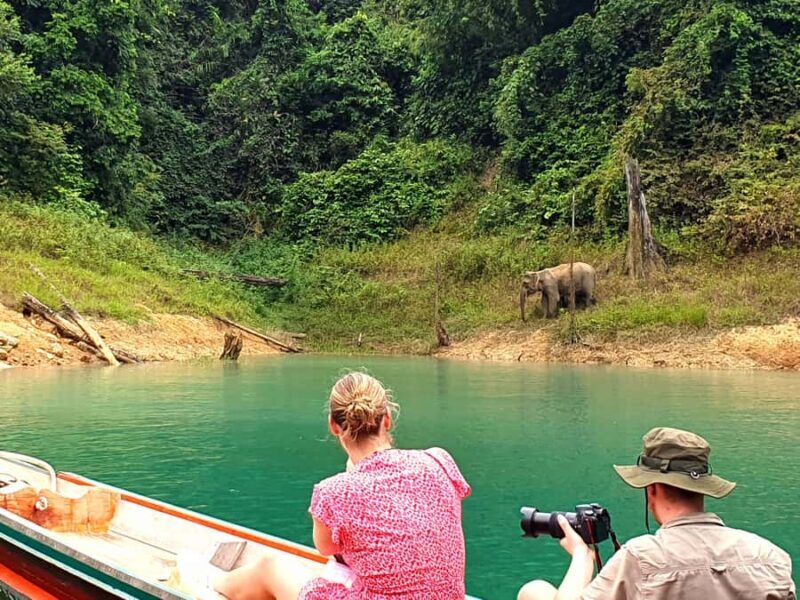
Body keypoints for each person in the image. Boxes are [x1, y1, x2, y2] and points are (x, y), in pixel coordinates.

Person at [214, 371, 471, 600]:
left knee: (269, 568)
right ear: (388, 419)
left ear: (334, 426)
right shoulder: (438, 461)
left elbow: (327, 548)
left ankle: (209, 583)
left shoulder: (335, 493)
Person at [518, 427, 796, 600]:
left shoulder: (642, 557)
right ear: (703, 491)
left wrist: (582, 555)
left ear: (651, 490)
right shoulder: (771, 556)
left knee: (535, 592)